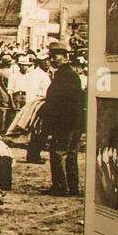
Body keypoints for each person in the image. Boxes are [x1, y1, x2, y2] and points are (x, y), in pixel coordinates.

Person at [40, 41, 85, 196]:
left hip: (64, 122)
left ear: (65, 57)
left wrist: (54, 122)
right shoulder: (69, 74)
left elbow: (63, 102)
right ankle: (72, 187)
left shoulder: (65, 76)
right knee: (71, 154)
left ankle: (60, 187)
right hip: (74, 122)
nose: (52, 60)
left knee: (58, 153)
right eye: (51, 57)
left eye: (56, 56)